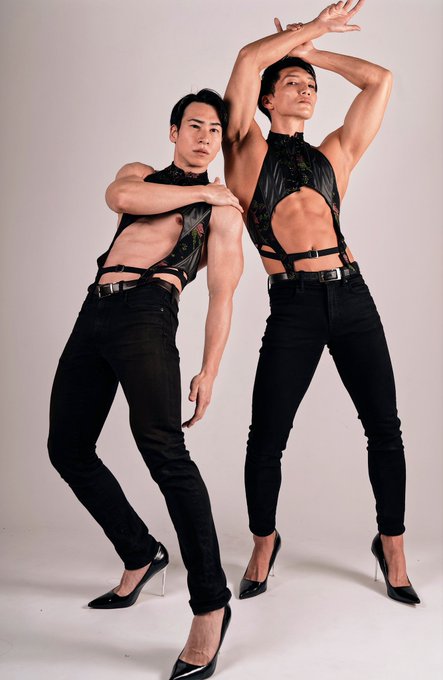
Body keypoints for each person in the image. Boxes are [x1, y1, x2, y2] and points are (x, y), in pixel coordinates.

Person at [222, 0, 420, 605]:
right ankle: (264, 542)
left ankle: (392, 546)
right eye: (292, 82)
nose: (306, 89)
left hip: (352, 295)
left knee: (384, 427)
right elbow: (246, 59)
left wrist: (313, 53)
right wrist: (307, 31)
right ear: (266, 99)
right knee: (267, 435)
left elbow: (380, 80)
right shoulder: (244, 150)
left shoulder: (334, 154)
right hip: (295, 305)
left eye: (310, 85)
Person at [48, 88, 244, 680]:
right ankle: (141, 552)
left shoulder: (222, 211)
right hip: (95, 309)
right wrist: (204, 189)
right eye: (195, 126)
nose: (205, 137)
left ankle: (210, 605)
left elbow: (223, 295)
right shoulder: (143, 175)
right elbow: (121, 197)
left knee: (165, 453)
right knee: (67, 448)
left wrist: (210, 369)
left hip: (149, 312)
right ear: (174, 132)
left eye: (215, 130)